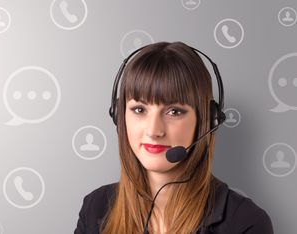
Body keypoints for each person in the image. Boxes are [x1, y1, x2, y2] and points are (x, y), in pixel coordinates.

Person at [74, 41, 274, 233]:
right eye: (139, 109)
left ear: (206, 119)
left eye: (174, 112)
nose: (153, 131)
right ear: (119, 115)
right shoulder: (95, 207)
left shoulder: (246, 222)